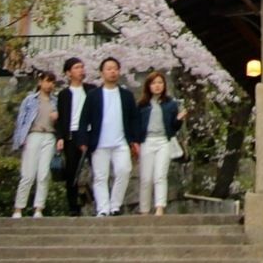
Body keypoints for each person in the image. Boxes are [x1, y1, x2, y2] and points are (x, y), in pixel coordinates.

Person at [76, 55, 139, 216]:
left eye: (115, 69)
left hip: (121, 142)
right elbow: (84, 119)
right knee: (100, 177)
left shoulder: (126, 95)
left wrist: (135, 140)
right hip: (99, 143)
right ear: (102, 73)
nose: (112, 72)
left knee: (124, 171)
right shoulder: (93, 95)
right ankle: (103, 208)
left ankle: (115, 205)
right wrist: (83, 140)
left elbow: (133, 119)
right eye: (109, 69)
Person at [9, 69, 59, 218]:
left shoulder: (55, 101)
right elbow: (21, 120)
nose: (50, 85)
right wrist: (19, 139)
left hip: (49, 136)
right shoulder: (30, 100)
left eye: (52, 82)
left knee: (43, 174)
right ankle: (19, 208)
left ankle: (39, 208)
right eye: (47, 81)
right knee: (28, 174)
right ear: (40, 82)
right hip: (33, 135)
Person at [132, 69, 183, 216]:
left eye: (160, 82)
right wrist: (135, 142)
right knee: (146, 177)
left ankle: (160, 207)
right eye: (154, 83)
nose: (157, 86)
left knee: (160, 175)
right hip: (147, 141)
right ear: (148, 86)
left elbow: (173, 128)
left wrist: (179, 119)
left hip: (163, 141)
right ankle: (144, 209)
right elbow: (136, 125)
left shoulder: (171, 104)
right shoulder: (142, 105)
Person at [54, 56, 94, 216]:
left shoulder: (91, 89)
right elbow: (62, 117)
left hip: (89, 132)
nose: (81, 70)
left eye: (82, 67)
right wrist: (60, 137)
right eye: (77, 67)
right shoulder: (64, 94)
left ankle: (97, 203)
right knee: (71, 171)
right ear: (68, 72)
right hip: (71, 134)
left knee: (95, 168)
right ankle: (72, 205)